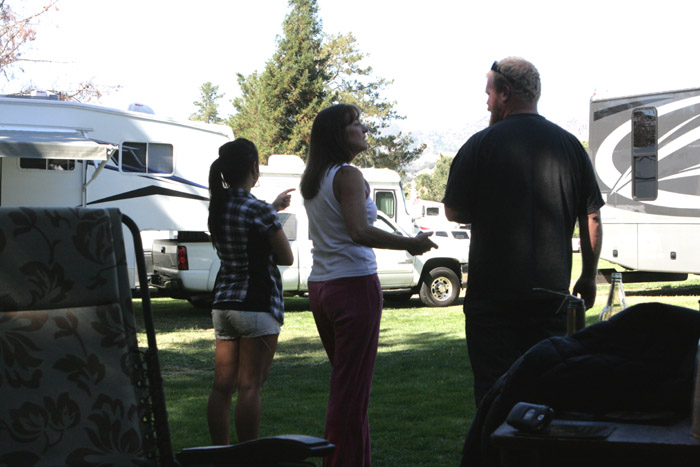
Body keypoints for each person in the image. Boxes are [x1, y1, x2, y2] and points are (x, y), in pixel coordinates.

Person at [442, 57, 604, 406]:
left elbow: (454, 211)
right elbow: (591, 217)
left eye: (489, 93)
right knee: (546, 391)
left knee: (494, 394)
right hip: (550, 297)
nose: (486, 102)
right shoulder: (570, 146)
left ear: (505, 93)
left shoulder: (479, 145)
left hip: (492, 301)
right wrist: (589, 276)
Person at [300, 103, 437, 466]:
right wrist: (411, 243)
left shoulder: (316, 177)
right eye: (356, 123)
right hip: (353, 286)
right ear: (338, 135)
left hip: (322, 287)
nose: (364, 128)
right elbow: (359, 231)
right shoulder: (347, 175)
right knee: (350, 394)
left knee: (349, 387)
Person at [205, 138, 294, 444]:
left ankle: (220, 455)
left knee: (221, 387)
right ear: (254, 168)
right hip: (256, 305)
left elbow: (244, 222)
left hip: (223, 304)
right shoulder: (259, 210)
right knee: (250, 387)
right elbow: (286, 257)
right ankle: (248, 456)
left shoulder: (218, 206)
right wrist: (272, 212)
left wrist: (273, 207)